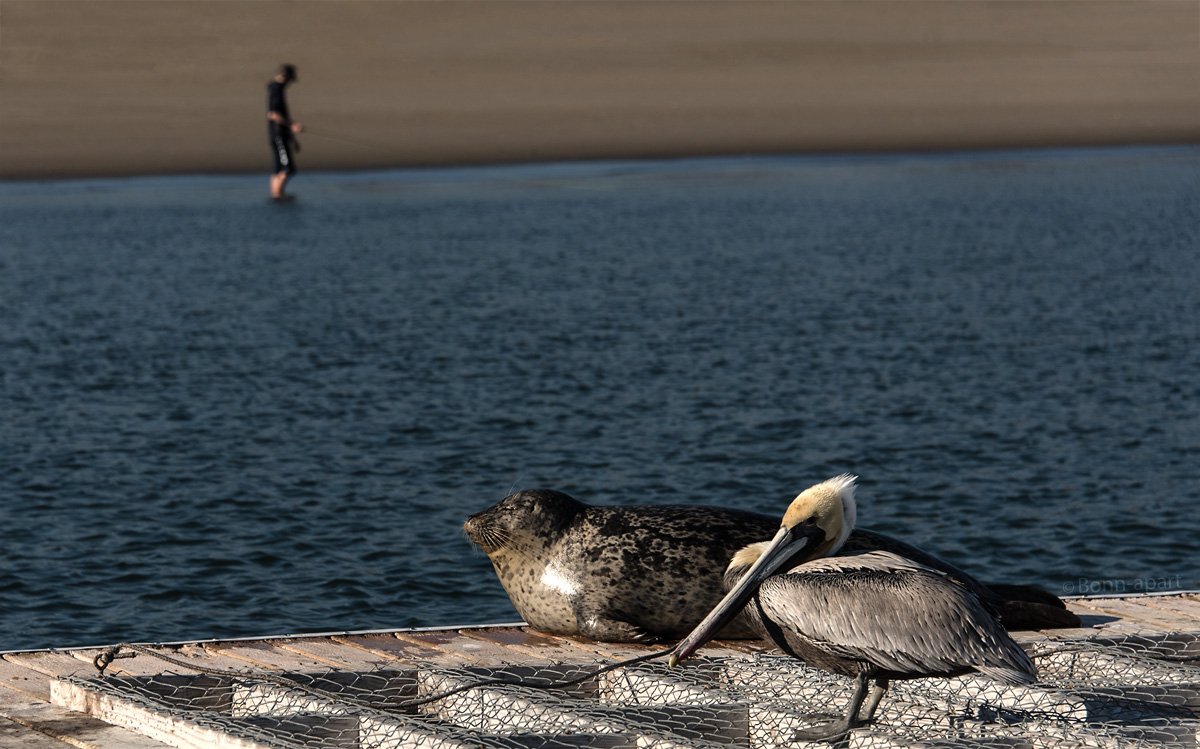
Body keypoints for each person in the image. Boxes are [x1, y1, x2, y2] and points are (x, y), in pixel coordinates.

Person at [267, 64, 304, 200]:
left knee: (278, 167)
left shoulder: (274, 87)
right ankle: (277, 194)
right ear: (285, 76)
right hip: (278, 133)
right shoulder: (276, 89)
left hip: (278, 133)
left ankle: (275, 195)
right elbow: (273, 115)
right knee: (287, 168)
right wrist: (292, 125)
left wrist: (293, 139)